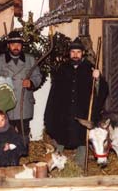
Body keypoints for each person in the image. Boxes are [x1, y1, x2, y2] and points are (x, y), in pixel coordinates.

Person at [44, 37, 109, 168]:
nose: (75, 55)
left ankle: (79, 166)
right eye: (73, 52)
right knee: (61, 136)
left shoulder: (90, 68)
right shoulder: (62, 69)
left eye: (78, 52)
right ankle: (56, 164)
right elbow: (54, 93)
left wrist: (98, 79)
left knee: (82, 139)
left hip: (83, 113)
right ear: (69, 53)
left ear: (83, 53)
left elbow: (103, 90)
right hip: (64, 113)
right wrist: (50, 113)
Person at [0, 31, 42, 144]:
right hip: (6, 104)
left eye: (18, 44)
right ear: (8, 45)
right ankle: (8, 156)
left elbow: (38, 77)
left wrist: (31, 83)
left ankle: (23, 153)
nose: (16, 47)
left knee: (23, 132)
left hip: (24, 103)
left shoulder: (30, 59)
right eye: (13, 44)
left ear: (22, 46)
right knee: (5, 132)